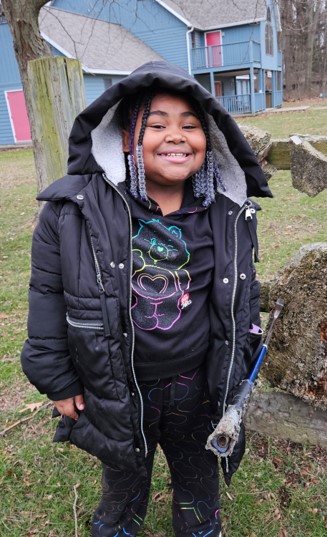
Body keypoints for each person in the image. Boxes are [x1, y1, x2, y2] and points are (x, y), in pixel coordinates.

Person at [21, 60, 272, 537]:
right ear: (122, 138)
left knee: (199, 481)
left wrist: (241, 357)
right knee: (123, 480)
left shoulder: (227, 210)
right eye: (156, 125)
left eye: (191, 126)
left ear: (211, 139)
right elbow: (48, 298)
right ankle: (118, 525)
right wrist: (56, 379)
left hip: (199, 387)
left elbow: (243, 291)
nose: (175, 136)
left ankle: (198, 526)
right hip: (117, 387)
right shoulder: (73, 211)